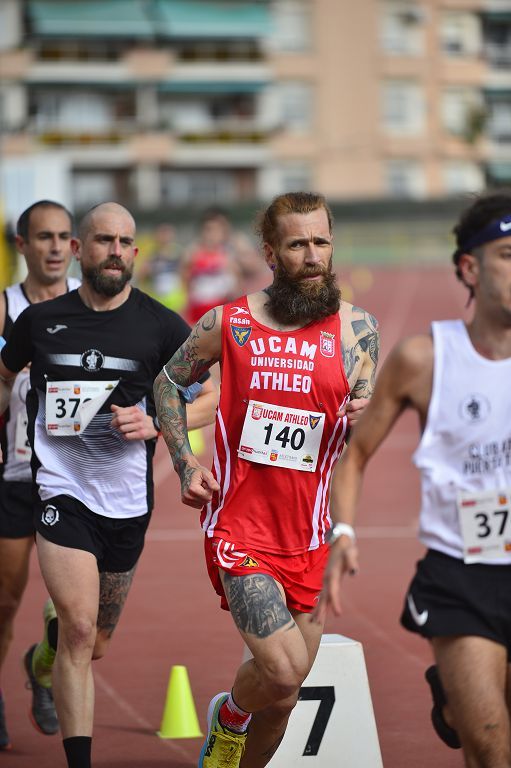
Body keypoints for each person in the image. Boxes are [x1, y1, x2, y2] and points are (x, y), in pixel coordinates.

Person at [154, 191, 379, 768]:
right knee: (280, 671)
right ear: (271, 253)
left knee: (286, 694)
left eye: (321, 242)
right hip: (240, 530)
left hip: (311, 538)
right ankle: (229, 715)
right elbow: (166, 386)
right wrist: (185, 462)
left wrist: (365, 416)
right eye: (297, 244)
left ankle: (235, 736)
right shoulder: (230, 323)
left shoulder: (359, 333)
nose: (311, 255)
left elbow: (362, 430)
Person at [0, 202, 217, 768]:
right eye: (103, 240)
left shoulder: (161, 325)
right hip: (61, 489)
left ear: (135, 254)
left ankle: (39, 663)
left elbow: (214, 396)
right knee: (75, 626)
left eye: (124, 242)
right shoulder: (41, 322)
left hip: (125, 502)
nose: (114, 251)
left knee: (94, 642)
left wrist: (155, 420)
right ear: (80, 251)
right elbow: (3, 376)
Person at [315, 189, 511, 768]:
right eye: (509, 253)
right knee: (492, 746)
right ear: (470, 267)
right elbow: (355, 454)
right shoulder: (426, 359)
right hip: (462, 573)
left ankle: (452, 702)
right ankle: (462, 699)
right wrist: (343, 531)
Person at [0, 200, 79, 750]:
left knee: (79, 616)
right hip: (14, 473)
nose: (54, 247)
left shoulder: (92, 306)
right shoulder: (4, 308)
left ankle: (42, 664)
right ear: (22, 245)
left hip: (77, 478)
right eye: (43, 237)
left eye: (63, 237)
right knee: (5, 601)